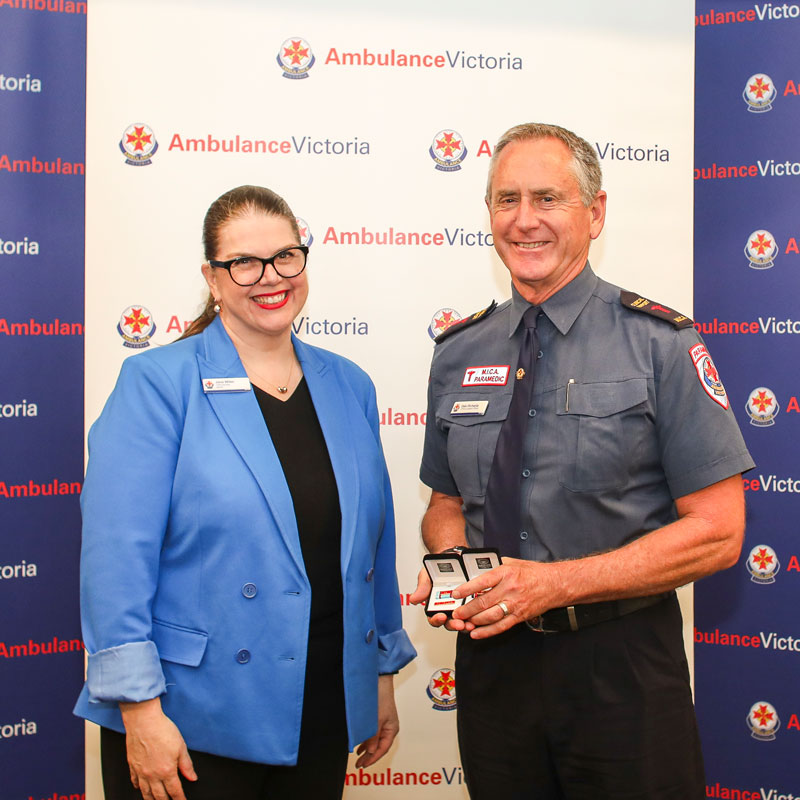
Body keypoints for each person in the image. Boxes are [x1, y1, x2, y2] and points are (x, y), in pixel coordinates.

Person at [410, 123, 753, 799]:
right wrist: (454, 571)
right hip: (493, 669)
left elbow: (720, 531)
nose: (525, 219)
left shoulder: (660, 344)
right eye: (507, 200)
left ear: (594, 214)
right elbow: (446, 508)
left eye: (548, 198)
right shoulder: (457, 351)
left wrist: (554, 584)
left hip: (620, 668)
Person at [74, 185, 416, 800]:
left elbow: (372, 545)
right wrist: (138, 710)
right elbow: (115, 561)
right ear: (213, 277)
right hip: (188, 720)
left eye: (286, 256)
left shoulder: (348, 385)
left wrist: (379, 672)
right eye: (244, 263)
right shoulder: (157, 384)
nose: (270, 278)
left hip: (320, 705)